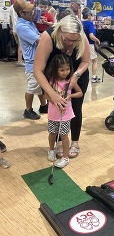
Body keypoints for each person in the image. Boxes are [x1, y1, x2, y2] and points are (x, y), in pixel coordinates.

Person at [34, 15, 90, 158]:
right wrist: (52, 94)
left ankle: (75, 142)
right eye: (67, 40)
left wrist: (76, 75)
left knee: (75, 109)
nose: (71, 43)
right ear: (59, 32)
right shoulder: (48, 37)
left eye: (75, 40)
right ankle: (59, 142)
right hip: (53, 80)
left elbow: (85, 61)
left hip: (77, 76)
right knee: (57, 109)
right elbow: (37, 70)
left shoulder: (80, 36)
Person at [45, 54, 83, 168]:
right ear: (55, 69)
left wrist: (70, 96)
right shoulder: (51, 81)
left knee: (64, 135)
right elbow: (46, 95)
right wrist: (54, 100)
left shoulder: (70, 81)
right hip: (53, 114)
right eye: (62, 70)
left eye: (67, 69)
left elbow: (80, 92)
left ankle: (65, 157)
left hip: (65, 115)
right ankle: (52, 150)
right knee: (52, 134)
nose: (65, 72)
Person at [14, 0, 48, 119]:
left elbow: (39, 35)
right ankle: (28, 110)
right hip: (32, 62)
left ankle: (43, 106)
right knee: (32, 86)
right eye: (28, 11)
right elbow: (39, 40)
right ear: (21, 13)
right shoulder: (22, 26)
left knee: (41, 85)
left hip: (38, 59)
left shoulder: (29, 22)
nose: (32, 12)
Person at [82, 7, 101, 83]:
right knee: (94, 61)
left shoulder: (81, 23)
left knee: (83, 61)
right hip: (89, 44)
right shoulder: (89, 24)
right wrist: (97, 40)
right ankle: (93, 77)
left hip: (82, 44)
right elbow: (91, 36)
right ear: (89, 15)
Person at [9, 0, 24, 66]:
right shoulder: (20, 6)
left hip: (14, 29)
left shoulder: (11, 7)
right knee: (21, 45)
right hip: (20, 28)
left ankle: (20, 59)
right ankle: (20, 61)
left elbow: (10, 19)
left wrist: (11, 28)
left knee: (19, 45)